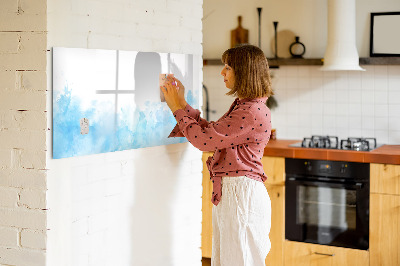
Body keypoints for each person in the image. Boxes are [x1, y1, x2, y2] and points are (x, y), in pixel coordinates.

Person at [161, 44, 273, 266]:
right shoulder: (246, 106)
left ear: (244, 72)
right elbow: (212, 133)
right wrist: (182, 103)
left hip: (241, 195)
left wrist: (176, 108)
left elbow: (204, 141)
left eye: (228, 67)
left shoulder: (250, 111)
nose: (222, 72)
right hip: (236, 193)